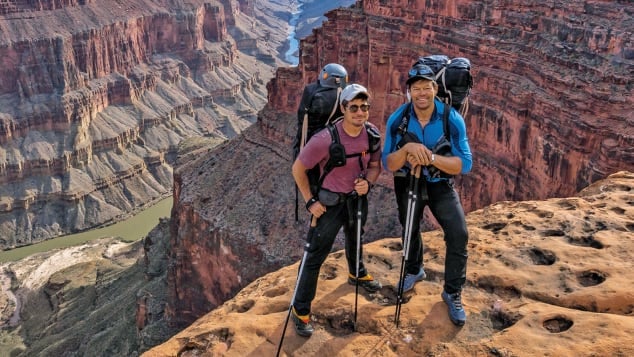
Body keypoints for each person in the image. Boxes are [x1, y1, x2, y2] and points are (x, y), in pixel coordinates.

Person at [382, 62, 473, 326]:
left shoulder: (450, 118)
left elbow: (464, 164)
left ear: (434, 89)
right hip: (408, 181)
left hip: (439, 184)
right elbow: (389, 163)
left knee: (458, 234)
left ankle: (452, 292)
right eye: (415, 88)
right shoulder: (398, 119)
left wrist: (431, 157)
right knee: (409, 228)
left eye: (426, 87)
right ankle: (414, 270)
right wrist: (409, 148)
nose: (421, 93)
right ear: (409, 91)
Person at [290, 83, 382, 337]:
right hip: (329, 206)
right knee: (314, 257)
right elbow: (298, 169)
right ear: (343, 108)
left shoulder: (372, 134)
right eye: (354, 107)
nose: (360, 112)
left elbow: (375, 166)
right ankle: (301, 311)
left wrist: (369, 182)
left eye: (364, 107)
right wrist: (310, 201)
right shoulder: (324, 139)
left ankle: (357, 273)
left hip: (356, 200)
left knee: (356, 239)